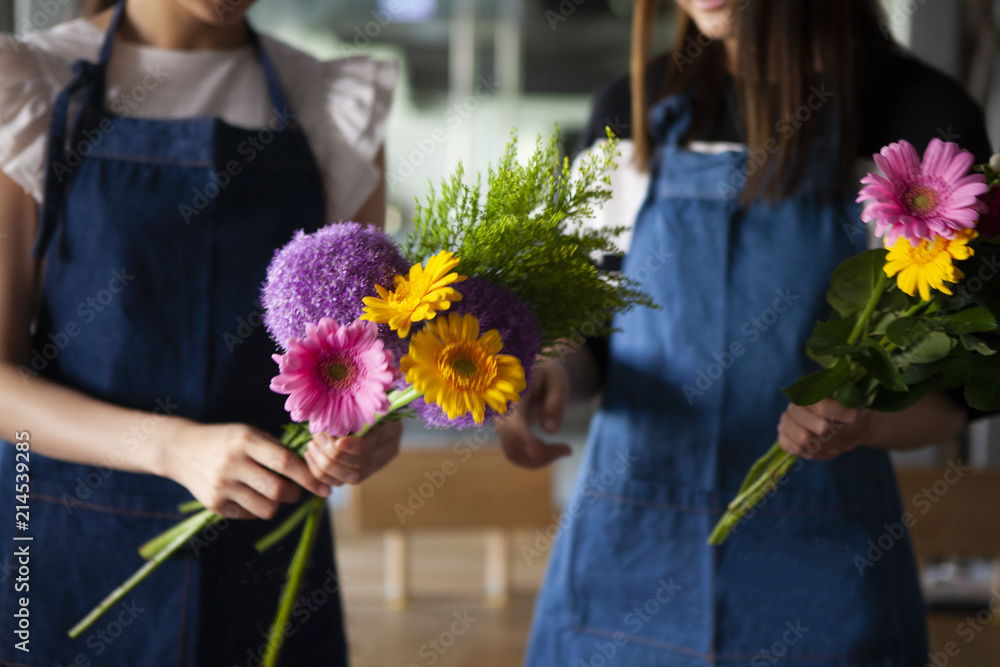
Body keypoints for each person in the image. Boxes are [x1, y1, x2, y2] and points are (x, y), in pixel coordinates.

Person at [499, 0, 993, 664]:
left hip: (826, 563)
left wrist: (865, 423)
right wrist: (548, 372)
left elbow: (963, 390)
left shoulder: (921, 119)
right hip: (629, 553)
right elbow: (593, 333)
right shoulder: (629, 109)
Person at [0, 0, 401, 664]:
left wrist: (365, 436)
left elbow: (366, 367)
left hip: (267, 563)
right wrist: (170, 447)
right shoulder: (31, 85)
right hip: (69, 553)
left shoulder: (333, 103)